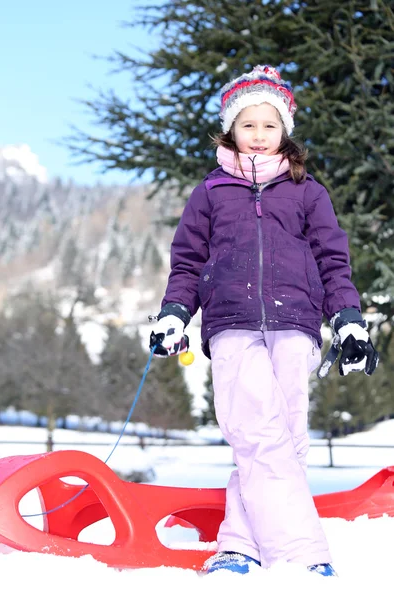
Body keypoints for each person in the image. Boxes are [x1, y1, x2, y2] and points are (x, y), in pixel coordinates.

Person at [149, 65, 379, 576]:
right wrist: (175, 313)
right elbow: (187, 260)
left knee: (286, 433)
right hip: (230, 322)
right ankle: (300, 553)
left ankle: (238, 544)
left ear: (284, 131)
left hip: (296, 321)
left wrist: (347, 318)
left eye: (268, 125)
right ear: (232, 129)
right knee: (254, 430)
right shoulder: (210, 192)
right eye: (248, 124)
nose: (258, 135)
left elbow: (332, 259)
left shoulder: (307, 192)